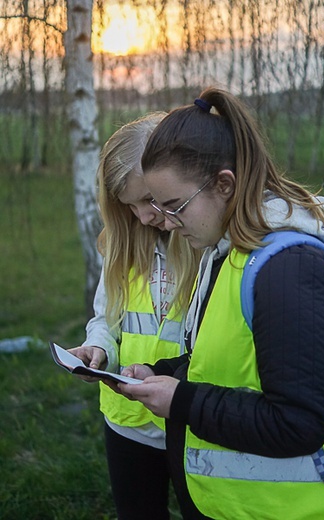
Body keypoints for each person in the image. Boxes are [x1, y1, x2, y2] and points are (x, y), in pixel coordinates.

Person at [104, 88, 324, 520]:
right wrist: (163, 375)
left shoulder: (290, 270)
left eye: (175, 206)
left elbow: (298, 423)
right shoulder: (228, 253)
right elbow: (223, 364)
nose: (169, 224)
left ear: (224, 183)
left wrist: (182, 402)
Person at [68, 113, 200, 520]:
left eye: (149, 200)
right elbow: (106, 317)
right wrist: (99, 348)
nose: (143, 217)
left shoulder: (205, 242)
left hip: (191, 421)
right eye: (130, 206)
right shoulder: (121, 245)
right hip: (127, 421)